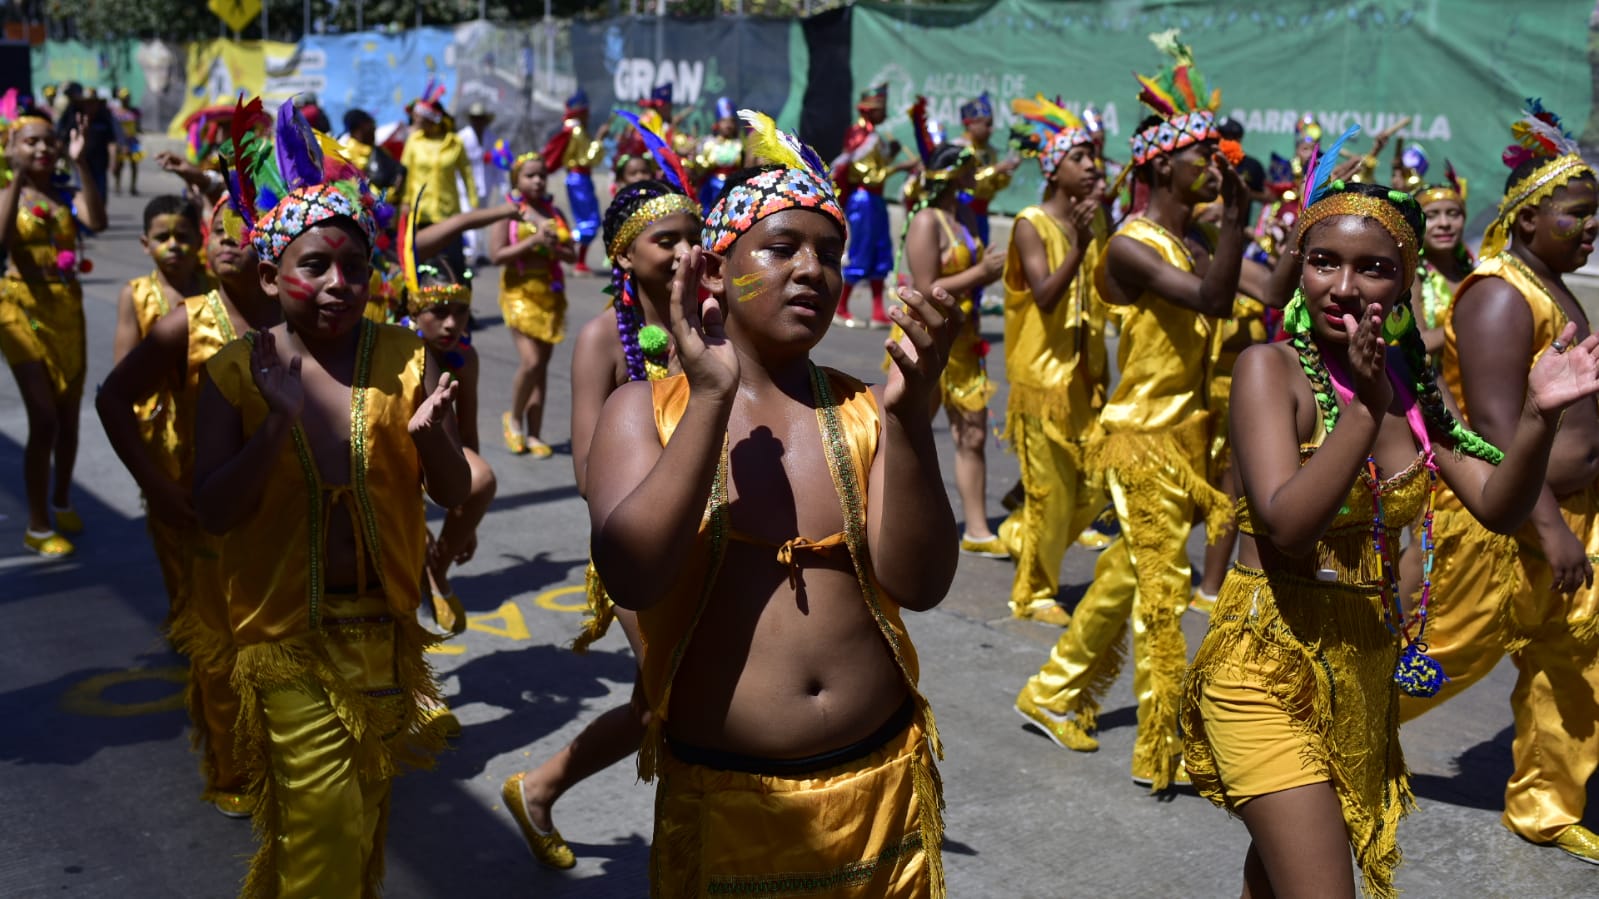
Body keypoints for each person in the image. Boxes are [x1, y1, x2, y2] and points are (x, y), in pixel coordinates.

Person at [1181, 161, 1599, 896]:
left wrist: (1538, 418)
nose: (1343, 287)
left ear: (1405, 283)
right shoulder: (1267, 371)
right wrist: (1364, 411)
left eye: (1372, 269)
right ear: (1300, 266)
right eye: (1322, 262)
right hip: (1264, 671)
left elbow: (1497, 505)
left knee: (1274, 883)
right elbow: (1286, 524)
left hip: (1360, 674)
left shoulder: (1408, 384)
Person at [586, 110, 955, 897]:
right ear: (713, 273)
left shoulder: (862, 410)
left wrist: (909, 421)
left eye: (829, 253)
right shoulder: (644, 410)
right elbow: (633, 576)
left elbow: (920, 585)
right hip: (728, 805)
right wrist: (712, 396)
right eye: (781, 248)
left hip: (881, 793)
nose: (812, 270)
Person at [191, 103, 470, 897]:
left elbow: (453, 492)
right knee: (322, 828)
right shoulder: (235, 373)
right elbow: (210, 510)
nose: (337, 285)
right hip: (285, 641)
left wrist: (435, 438)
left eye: (354, 265)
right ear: (273, 270)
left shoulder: (407, 355)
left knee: (357, 822)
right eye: (314, 266)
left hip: (384, 636)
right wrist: (274, 424)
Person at [1012, 33, 1244, 790]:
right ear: (1157, 167)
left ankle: (1052, 691)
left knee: (1123, 574)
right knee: (1160, 594)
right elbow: (1214, 299)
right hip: (1140, 440)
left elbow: (1262, 294)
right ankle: (1165, 744)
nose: (1211, 166)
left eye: (1214, 154)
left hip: (1183, 438)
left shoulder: (1195, 238)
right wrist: (1237, 228)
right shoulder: (1134, 245)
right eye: (1198, 156)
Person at [1397, 103, 1599, 863]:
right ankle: (1296, 734)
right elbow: (1488, 429)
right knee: (1440, 656)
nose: (1590, 229)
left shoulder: (1548, 283)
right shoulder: (1496, 297)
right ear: (1523, 218)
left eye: (1593, 216)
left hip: (1571, 516)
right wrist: (1546, 528)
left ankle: (1546, 802)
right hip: (1506, 526)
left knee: (1573, 658)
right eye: (1575, 215)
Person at [503, 128, 704, 868]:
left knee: (663, 699)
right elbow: (590, 474)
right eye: (666, 241)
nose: (685, 252)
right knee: (679, 699)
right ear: (623, 254)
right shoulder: (601, 340)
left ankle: (540, 786)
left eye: (694, 236)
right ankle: (695, 853)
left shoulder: (713, 324)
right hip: (636, 543)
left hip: (712, 534)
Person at [98, 193, 281, 819]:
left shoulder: (299, 314)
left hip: (286, 515)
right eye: (219, 230)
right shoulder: (186, 322)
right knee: (220, 646)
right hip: (208, 507)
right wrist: (157, 481)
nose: (230, 240)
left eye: (245, 229)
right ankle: (231, 767)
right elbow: (114, 398)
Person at [994, 95, 1109, 625]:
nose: (1091, 166)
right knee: (1050, 488)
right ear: (1055, 169)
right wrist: (1083, 244)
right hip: (1041, 376)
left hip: (1084, 376)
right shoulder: (1030, 223)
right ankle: (1034, 594)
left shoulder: (1091, 223)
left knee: (1096, 485)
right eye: (1079, 158)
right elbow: (1044, 295)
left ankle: (1020, 533)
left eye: (1092, 157)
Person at [898, 101, 1006, 558]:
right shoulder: (927, 221)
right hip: (928, 343)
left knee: (973, 434)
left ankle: (977, 528)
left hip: (965, 344)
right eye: (967, 169)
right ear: (952, 174)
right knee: (910, 433)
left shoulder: (960, 219)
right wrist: (981, 274)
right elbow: (926, 288)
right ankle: (895, 519)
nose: (974, 175)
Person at [0, 107, 107, 556]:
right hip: (18, 308)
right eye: (31, 142)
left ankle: (62, 499)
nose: (42, 148)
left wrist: (81, 162)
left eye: (49, 141)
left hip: (67, 306)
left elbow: (96, 221)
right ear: (11, 147)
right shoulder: (7, 191)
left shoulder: (64, 193)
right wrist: (16, 177)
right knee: (43, 416)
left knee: (66, 416)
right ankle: (38, 524)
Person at [108, 195, 211, 607]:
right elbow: (123, 377)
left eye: (183, 236)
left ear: (199, 240)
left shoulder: (217, 288)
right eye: (162, 237)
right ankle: (184, 613)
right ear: (144, 243)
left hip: (211, 421)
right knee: (171, 524)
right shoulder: (135, 295)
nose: (174, 245)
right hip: (161, 428)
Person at [394, 243, 497, 633]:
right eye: (439, 312)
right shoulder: (398, 354)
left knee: (482, 478)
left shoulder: (464, 359)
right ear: (412, 310)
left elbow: (467, 434)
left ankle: (436, 568)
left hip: (439, 459)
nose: (452, 324)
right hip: (394, 459)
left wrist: (463, 521)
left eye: (461, 311)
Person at [490, 152, 574, 458]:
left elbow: (571, 255)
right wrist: (534, 240)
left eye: (542, 175)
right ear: (516, 179)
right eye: (530, 175)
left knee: (541, 368)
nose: (537, 180)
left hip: (550, 293)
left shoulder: (555, 211)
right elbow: (497, 255)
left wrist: (555, 247)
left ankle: (535, 433)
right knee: (531, 362)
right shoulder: (509, 212)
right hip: (519, 292)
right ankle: (513, 420)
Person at [832, 84, 916, 328]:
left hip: (876, 200)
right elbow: (868, 175)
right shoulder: (859, 136)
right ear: (869, 111)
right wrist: (899, 166)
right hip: (863, 199)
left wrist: (889, 155)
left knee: (881, 250)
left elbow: (875, 167)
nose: (885, 115)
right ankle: (842, 306)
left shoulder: (874, 136)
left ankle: (879, 311)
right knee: (862, 249)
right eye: (881, 110)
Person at [399, 93, 474, 276]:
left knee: (454, 264)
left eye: (420, 118)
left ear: (432, 119)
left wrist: (473, 203)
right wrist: (405, 202)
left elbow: (467, 174)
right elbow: (406, 173)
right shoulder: (414, 141)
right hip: (421, 213)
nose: (416, 121)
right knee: (421, 264)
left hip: (448, 212)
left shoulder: (454, 142)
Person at [543, 89, 610, 274]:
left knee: (589, 221)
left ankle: (578, 260)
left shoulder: (575, 130)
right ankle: (562, 242)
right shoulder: (578, 131)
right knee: (590, 222)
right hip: (579, 179)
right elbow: (589, 159)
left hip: (579, 179)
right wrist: (599, 139)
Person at [953, 92, 1019, 253]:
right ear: (970, 124)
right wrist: (995, 169)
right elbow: (964, 181)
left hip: (982, 213)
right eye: (986, 124)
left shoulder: (989, 150)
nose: (991, 130)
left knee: (981, 254)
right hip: (961, 212)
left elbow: (995, 186)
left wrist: (1006, 172)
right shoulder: (958, 148)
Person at [456, 102, 503, 264]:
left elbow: (498, 162)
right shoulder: (462, 137)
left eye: (480, 118)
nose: (478, 121)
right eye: (475, 118)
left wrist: (501, 184)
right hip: (465, 185)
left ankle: (480, 252)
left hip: (485, 185)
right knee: (469, 215)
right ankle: (471, 251)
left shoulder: (492, 138)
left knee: (482, 217)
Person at [692, 98, 744, 215]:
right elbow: (700, 168)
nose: (728, 125)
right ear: (718, 123)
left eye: (731, 121)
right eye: (724, 121)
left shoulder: (739, 145)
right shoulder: (710, 143)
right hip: (712, 187)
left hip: (733, 186)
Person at [111, 86, 142, 196]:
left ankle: (133, 187)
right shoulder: (116, 112)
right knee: (120, 164)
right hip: (121, 141)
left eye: (127, 98)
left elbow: (138, 125)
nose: (126, 100)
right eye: (124, 98)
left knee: (134, 164)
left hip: (133, 141)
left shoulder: (135, 111)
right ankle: (117, 185)